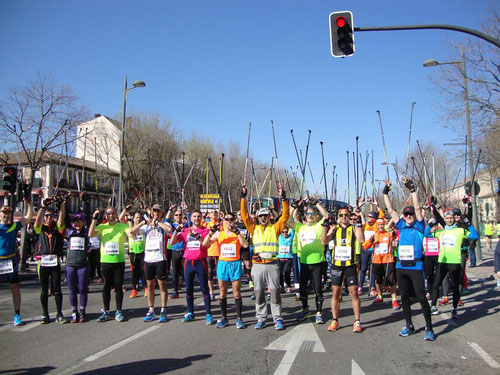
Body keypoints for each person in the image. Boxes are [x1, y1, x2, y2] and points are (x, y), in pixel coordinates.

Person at [383, 177, 435, 341]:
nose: (408, 215)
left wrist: (412, 190)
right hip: (401, 267)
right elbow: (391, 210)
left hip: (416, 267)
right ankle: (409, 325)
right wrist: (386, 192)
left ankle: (429, 328)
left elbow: (418, 208)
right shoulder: (400, 225)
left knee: (420, 297)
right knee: (404, 297)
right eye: (406, 214)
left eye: (410, 213)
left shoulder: (419, 226)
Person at [240, 185, 289, 330]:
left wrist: (284, 199)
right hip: (258, 265)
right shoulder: (253, 228)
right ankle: (261, 318)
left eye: (265, 216)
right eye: (261, 216)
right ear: (258, 217)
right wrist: (243, 198)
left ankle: (277, 318)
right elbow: (244, 215)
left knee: (274, 292)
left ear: (269, 217)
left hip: (273, 264)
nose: (263, 218)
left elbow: (285, 216)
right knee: (259, 292)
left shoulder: (275, 228)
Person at [427, 210, 478, 318]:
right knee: (436, 284)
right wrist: (431, 224)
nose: (449, 220)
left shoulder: (460, 231)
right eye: (447, 218)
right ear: (444, 219)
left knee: (455, 286)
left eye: (451, 218)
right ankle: (433, 306)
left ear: (454, 219)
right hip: (442, 262)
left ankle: (454, 308)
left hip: (455, 262)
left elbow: (474, 236)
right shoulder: (440, 232)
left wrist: (469, 224)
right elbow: (426, 234)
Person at [321, 207, 364, 333]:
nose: (344, 217)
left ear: (349, 216)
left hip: (350, 265)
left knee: (354, 293)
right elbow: (324, 241)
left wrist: (359, 225)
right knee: (335, 293)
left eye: (346, 215)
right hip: (337, 265)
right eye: (341, 215)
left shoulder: (353, 227)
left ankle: (357, 321)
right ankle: (335, 320)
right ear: (338, 216)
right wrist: (325, 228)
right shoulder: (335, 229)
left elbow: (361, 240)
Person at [203, 211, 249, 329]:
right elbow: (205, 244)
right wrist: (211, 232)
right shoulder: (219, 234)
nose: (229, 222)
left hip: (235, 264)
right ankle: (224, 318)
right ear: (222, 221)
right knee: (222, 292)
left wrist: (237, 232)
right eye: (226, 219)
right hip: (223, 264)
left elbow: (245, 245)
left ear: (234, 221)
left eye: (231, 219)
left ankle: (239, 319)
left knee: (236, 292)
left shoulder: (237, 234)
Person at [130, 204, 172, 323]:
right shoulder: (146, 227)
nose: (156, 214)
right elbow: (132, 232)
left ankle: (163, 310)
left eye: (158, 212)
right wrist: (143, 223)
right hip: (148, 260)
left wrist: (157, 223)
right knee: (150, 286)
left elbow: (169, 230)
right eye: (154, 212)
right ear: (152, 213)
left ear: (161, 213)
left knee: (162, 285)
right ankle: (151, 310)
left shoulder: (165, 224)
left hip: (160, 259)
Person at [290, 197, 329, 324]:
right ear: (304, 215)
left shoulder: (319, 225)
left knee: (318, 288)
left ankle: (319, 312)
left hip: (317, 262)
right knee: (302, 289)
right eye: (307, 213)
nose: (310, 215)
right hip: (304, 263)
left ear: (316, 216)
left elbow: (326, 215)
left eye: (312, 213)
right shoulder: (300, 226)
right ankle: (305, 309)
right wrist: (294, 205)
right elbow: (285, 220)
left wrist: (316, 203)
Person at [170, 210, 214, 324]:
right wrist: (176, 231)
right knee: (189, 288)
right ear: (191, 218)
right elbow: (172, 242)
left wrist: (197, 236)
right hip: (188, 262)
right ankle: (190, 313)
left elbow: (206, 244)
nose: (197, 218)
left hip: (201, 261)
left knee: (204, 288)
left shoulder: (206, 230)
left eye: (199, 216)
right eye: (194, 216)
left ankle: (208, 313)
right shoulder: (185, 231)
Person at [88, 206, 130, 322]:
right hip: (105, 261)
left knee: (118, 286)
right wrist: (94, 219)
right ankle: (106, 311)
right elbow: (91, 234)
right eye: (108, 214)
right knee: (106, 286)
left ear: (116, 214)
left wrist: (130, 220)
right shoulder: (102, 227)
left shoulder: (122, 226)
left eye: (112, 214)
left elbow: (130, 233)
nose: (111, 216)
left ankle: (119, 311)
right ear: (106, 216)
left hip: (118, 261)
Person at [34, 194, 68, 324]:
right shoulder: (40, 228)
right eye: (46, 216)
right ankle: (45, 314)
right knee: (44, 289)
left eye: (50, 215)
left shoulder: (57, 228)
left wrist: (62, 205)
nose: (49, 218)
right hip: (42, 262)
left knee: (57, 288)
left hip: (55, 262)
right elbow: (36, 222)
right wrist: (43, 206)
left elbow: (62, 218)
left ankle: (59, 314)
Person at [0, 200, 33, 326]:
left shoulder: (14, 226)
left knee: (15, 288)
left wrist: (29, 204)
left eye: (8, 213)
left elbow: (27, 218)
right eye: (4, 213)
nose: (6, 215)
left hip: (11, 261)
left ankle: (17, 314)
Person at [363, 218, 399, 309]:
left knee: (391, 280)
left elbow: (395, 235)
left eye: (382, 225)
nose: (380, 226)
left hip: (388, 260)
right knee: (378, 280)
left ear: (384, 225)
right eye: (379, 225)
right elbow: (366, 246)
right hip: (377, 261)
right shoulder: (374, 235)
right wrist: (371, 241)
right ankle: (380, 296)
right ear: (376, 226)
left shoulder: (388, 234)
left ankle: (394, 299)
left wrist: (394, 231)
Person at [66, 211, 91, 323]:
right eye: (75, 221)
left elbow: (89, 219)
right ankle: (74, 312)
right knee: (72, 290)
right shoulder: (70, 232)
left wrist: (85, 203)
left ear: (83, 222)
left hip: (82, 265)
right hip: (70, 265)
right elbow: (65, 218)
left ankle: (82, 312)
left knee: (82, 289)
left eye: (79, 220)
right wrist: (64, 202)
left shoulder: (86, 232)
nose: (77, 223)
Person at [166, 206, 187, 299]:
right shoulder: (172, 226)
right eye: (176, 215)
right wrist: (170, 210)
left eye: (180, 215)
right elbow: (166, 220)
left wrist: (187, 210)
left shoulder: (185, 225)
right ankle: (175, 291)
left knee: (186, 272)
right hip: (175, 251)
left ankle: (188, 291)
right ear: (174, 216)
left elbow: (191, 221)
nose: (178, 216)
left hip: (184, 251)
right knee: (175, 272)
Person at [127, 211, 146, 298]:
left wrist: (142, 223)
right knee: (135, 272)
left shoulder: (144, 227)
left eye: (140, 218)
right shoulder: (129, 228)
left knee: (143, 271)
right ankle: (134, 289)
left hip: (142, 251)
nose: (138, 219)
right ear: (133, 218)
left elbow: (139, 230)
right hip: (133, 253)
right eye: (136, 217)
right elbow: (132, 233)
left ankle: (146, 288)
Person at [277, 225, 294, 293]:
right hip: (280, 258)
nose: (284, 233)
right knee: (280, 273)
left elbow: (293, 227)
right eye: (283, 232)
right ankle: (282, 286)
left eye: (286, 232)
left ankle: (289, 286)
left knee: (286, 273)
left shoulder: (290, 236)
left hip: (288, 258)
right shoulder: (279, 237)